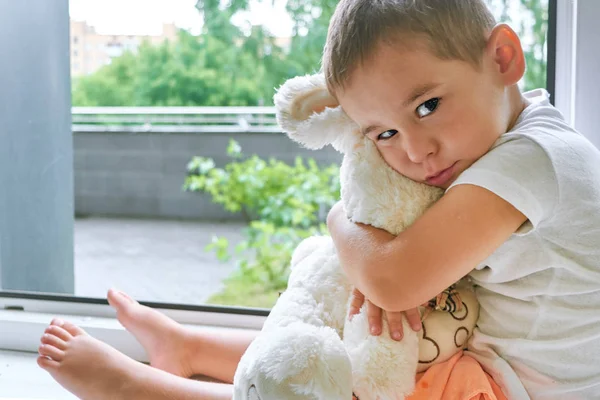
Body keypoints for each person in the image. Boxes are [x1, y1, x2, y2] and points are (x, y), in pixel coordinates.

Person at [37, 1, 600, 399]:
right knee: (358, 340)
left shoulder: (533, 160)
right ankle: (190, 346)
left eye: (427, 106)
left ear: (502, 58)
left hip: (517, 389)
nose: (415, 151)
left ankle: (136, 388)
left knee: (339, 386)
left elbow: (393, 278)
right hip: (485, 359)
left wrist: (338, 219)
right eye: (381, 133)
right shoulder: (508, 140)